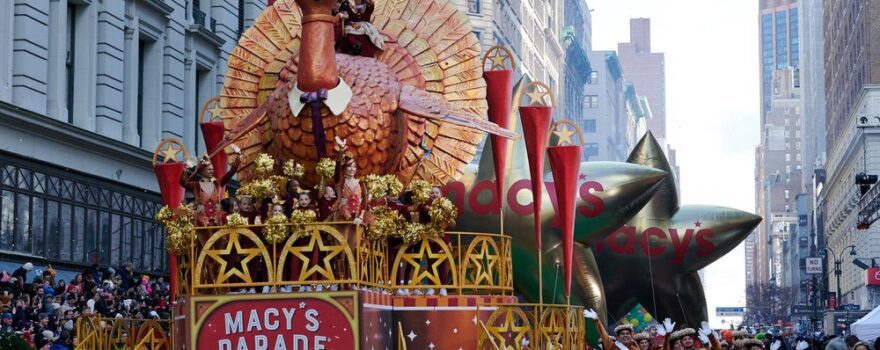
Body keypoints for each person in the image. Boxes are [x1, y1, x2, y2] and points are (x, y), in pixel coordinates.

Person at [181, 153, 241, 243]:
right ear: (202, 171)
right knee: (204, 248)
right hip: (202, 223)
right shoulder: (195, 185)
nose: (212, 171)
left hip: (217, 222)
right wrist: (186, 169)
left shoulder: (217, 183)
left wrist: (236, 162)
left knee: (217, 247)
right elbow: (183, 183)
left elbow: (230, 174)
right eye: (209, 169)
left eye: (212, 169)